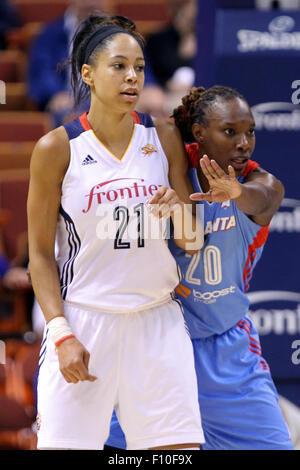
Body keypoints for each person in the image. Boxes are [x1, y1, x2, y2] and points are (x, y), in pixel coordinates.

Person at [27, 14, 205, 450]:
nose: (132, 77)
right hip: (85, 320)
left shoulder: (163, 138)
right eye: (119, 65)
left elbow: (191, 239)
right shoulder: (56, 149)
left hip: (156, 319)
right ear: (87, 73)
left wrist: (178, 211)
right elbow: (39, 255)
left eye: (140, 68)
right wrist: (61, 332)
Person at [106, 85, 294, 450]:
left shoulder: (259, 183)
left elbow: (265, 196)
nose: (244, 143)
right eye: (230, 131)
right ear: (198, 132)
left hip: (228, 350)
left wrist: (235, 193)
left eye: (250, 131)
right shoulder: (166, 170)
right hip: (160, 347)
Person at [27, 0, 104, 127]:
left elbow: (136, 67)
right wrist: (54, 93)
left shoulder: (117, 34)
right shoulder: (49, 33)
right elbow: (41, 71)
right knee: (68, 116)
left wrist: (147, 87)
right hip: (66, 101)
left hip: (106, 101)